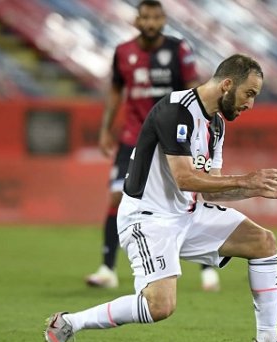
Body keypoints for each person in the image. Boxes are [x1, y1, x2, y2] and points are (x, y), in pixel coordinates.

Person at [45, 54, 277, 342]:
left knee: (263, 243)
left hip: (187, 214)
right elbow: (184, 178)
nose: (250, 104)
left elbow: (211, 189)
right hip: (148, 218)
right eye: (249, 93)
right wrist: (245, 180)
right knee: (159, 306)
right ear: (227, 85)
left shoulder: (216, 126)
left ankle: (268, 340)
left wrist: (254, 189)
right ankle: (68, 323)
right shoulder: (175, 111)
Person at [85, 0, 221, 292]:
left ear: (163, 20)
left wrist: (199, 128)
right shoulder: (123, 53)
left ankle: (207, 268)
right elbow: (115, 92)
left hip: (172, 140)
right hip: (133, 139)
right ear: (136, 20)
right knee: (115, 197)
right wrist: (106, 129)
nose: (150, 23)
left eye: (155, 17)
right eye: (145, 17)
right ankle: (107, 268)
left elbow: (194, 90)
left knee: (191, 196)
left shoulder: (178, 50)